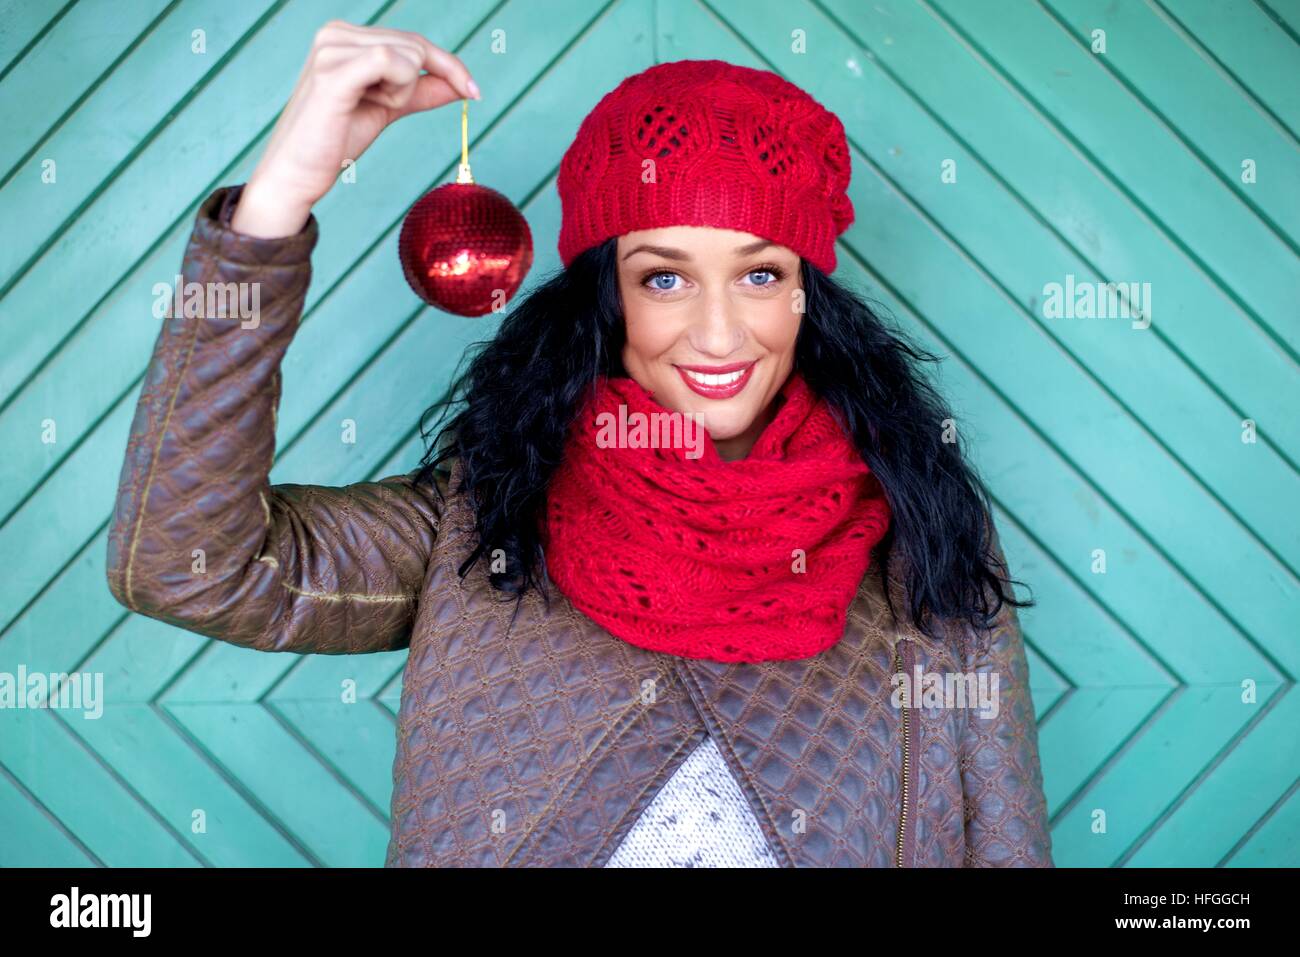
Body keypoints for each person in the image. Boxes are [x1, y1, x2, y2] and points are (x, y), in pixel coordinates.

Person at [106, 19, 1053, 867]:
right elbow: (187, 564)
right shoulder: (479, 520)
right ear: (607, 295)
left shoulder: (921, 533)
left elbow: (1001, 836)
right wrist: (276, 202)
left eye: (760, 275)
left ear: (809, 292)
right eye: (665, 279)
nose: (720, 335)